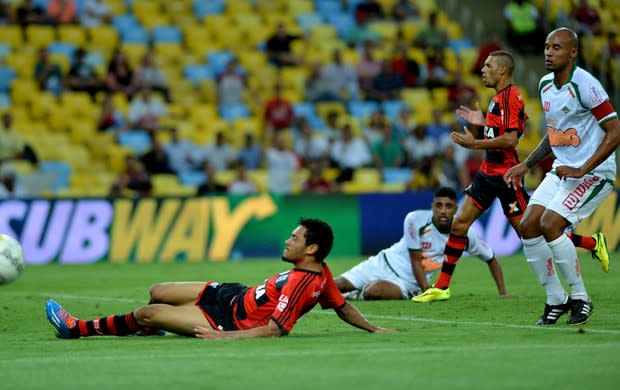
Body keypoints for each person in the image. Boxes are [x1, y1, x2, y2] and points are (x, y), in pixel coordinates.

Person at [413, 49, 607, 303]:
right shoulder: (497, 98)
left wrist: (474, 144)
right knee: (459, 224)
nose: (482, 69)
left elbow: (511, 139)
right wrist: (484, 123)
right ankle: (442, 286)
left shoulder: (511, 97)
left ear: (502, 70)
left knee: (532, 232)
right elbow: (510, 128)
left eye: (488, 65)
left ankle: (593, 243)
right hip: (487, 173)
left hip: (507, 178)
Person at [45, 218, 390, 339]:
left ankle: (77, 328)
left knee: (146, 311)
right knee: (157, 291)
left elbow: (276, 329)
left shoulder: (304, 284)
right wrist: (374, 328)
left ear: (311, 248)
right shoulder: (321, 273)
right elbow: (342, 307)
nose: (287, 240)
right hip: (230, 294)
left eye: (295, 238)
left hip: (225, 320)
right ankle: (151, 328)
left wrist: (224, 338)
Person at [503, 28, 619, 325]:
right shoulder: (544, 85)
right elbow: (554, 135)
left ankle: (581, 297)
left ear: (572, 53)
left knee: (550, 224)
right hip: (563, 170)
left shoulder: (586, 85)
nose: (548, 52)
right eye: (546, 47)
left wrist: (584, 168)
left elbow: (615, 131)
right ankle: (557, 300)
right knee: (528, 225)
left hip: (594, 173)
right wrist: (526, 164)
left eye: (556, 47)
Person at [336, 187, 507, 300]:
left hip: (409, 284)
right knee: (337, 285)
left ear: (456, 209)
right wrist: (427, 290)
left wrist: (503, 293)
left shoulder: (467, 235)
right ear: (432, 206)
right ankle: (319, 293)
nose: (443, 210)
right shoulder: (415, 220)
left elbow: (490, 258)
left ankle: (354, 295)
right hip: (384, 263)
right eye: (439, 205)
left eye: (448, 206)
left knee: (374, 291)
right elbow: (415, 260)